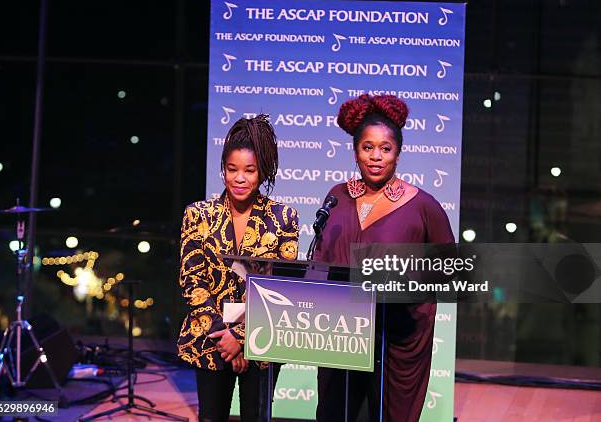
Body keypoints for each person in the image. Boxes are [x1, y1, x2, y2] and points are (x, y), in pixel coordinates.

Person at [314, 94, 454, 422]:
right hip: (341, 333)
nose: (376, 157)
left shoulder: (422, 205)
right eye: (367, 147)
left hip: (395, 337)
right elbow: (320, 258)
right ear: (355, 152)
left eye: (385, 149)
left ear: (397, 154)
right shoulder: (337, 196)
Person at [177, 114, 299, 422]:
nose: (239, 178)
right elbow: (192, 281)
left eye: (249, 170)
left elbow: (280, 288)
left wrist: (244, 339)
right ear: (223, 170)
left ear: (263, 172)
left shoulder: (284, 218)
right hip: (210, 337)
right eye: (232, 170)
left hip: (263, 344)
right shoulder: (198, 215)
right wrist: (225, 336)